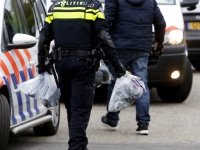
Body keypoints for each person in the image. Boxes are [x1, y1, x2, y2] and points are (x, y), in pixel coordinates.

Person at [37, 0, 126, 150]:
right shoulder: (92, 6)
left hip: (61, 64)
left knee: (72, 106)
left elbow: (44, 37)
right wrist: (117, 65)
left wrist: (41, 66)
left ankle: (80, 145)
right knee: (80, 108)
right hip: (83, 65)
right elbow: (104, 37)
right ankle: (76, 146)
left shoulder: (56, 7)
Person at [101, 0, 166, 135]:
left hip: (119, 46)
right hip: (141, 47)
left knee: (116, 82)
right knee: (141, 84)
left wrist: (102, 42)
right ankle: (143, 124)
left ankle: (112, 119)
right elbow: (160, 23)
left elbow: (107, 21)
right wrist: (159, 41)